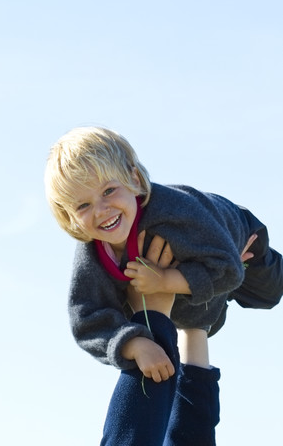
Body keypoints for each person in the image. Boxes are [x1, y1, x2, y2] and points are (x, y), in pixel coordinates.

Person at [44, 126, 283, 445]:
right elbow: (87, 318)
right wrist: (132, 344)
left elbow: (228, 269)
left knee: (268, 295)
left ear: (136, 181)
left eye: (109, 191)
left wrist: (165, 280)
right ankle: (206, 301)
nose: (101, 210)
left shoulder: (174, 212)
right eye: (83, 206)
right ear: (69, 216)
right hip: (190, 295)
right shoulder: (93, 251)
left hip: (231, 238)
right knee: (195, 318)